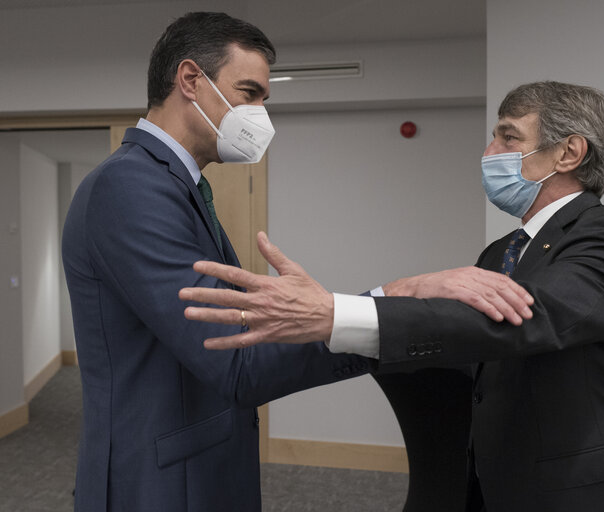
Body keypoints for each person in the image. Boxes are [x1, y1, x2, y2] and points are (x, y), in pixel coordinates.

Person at [180, 81, 604, 511]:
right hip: (503, 482)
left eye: (509, 136)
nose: (490, 150)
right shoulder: (502, 249)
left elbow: (523, 320)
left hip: (583, 491)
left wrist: (340, 312)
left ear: (569, 153)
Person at [61, 12, 383, 512]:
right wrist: (383, 314)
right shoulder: (129, 187)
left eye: (263, 100)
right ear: (191, 80)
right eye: (249, 93)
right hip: (157, 486)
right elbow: (235, 359)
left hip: (197, 468)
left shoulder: (175, 185)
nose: (259, 113)